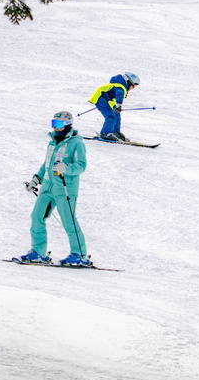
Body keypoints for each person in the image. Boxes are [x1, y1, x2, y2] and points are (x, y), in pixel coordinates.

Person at [18, 110, 90, 265]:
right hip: (47, 187)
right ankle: (38, 252)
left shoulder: (76, 143)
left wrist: (67, 168)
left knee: (69, 221)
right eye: (53, 124)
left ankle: (80, 255)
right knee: (37, 217)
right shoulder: (52, 142)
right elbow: (46, 165)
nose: (55, 128)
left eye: (58, 124)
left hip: (65, 188)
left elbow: (81, 165)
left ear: (68, 124)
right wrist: (36, 180)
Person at [88, 73, 140, 141]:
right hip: (101, 100)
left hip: (108, 101)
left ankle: (115, 132)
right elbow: (119, 94)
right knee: (111, 117)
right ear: (128, 82)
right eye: (133, 86)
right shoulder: (120, 87)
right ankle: (105, 133)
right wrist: (119, 105)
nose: (132, 88)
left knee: (117, 115)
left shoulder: (119, 85)